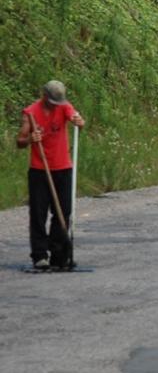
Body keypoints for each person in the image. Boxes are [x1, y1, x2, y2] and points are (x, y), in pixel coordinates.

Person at [16, 81, 85, 269]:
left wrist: (79, 123)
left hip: (63, 167)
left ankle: (59, 255)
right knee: (38, 213)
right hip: (39, 170)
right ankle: (39, 255)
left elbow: (76, 119)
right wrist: (30, 139)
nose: (56, 105)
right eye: (53, 101)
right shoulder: (30, 113)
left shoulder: (64, 107)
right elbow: (20, 141)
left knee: (63, 212)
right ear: (44, 96)